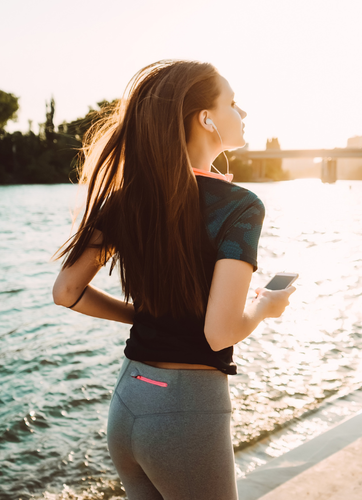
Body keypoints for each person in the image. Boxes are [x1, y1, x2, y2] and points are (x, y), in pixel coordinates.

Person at [52, 60, 296, 500]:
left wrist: (141, 315)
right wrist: (264, 307)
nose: (244, 113)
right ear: (206, 118)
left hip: (128, 401)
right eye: (234, 104)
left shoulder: (128, 199)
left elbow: (66, 292)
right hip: (185, 411)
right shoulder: (240, 206)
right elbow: (219, 333)